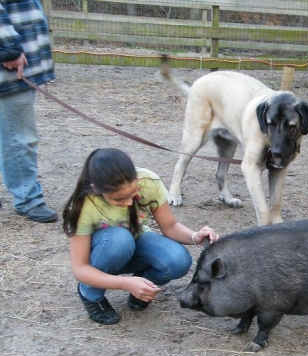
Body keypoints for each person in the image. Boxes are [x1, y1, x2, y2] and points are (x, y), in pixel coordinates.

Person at [62, 148, 219, 325]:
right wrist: (124, 283)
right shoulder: (82, 205)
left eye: (133, 193)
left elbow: (170, 226)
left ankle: (143, 288)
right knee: (120, 240)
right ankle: (91, 294)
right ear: (96, 190)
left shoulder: (149, 181)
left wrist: (195, 236)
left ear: (137, 178)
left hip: (135, 242)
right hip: (105, 253)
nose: (128, 203)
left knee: (178, 260)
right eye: (118, 199)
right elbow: (80, 268)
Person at [0, 0, 58, 222]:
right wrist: (9, 49)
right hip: (10, 73)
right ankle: (27, 198)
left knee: (7, 134)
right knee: (19, 137)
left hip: (14, 71)